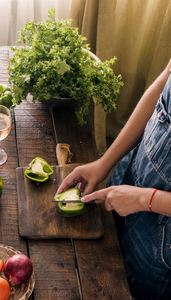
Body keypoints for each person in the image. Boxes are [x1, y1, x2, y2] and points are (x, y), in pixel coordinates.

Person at [57, 59, 171, 299]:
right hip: (130, 177)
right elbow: (162, 89)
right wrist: (105, 162)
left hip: (160, 239)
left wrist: (145, 199)